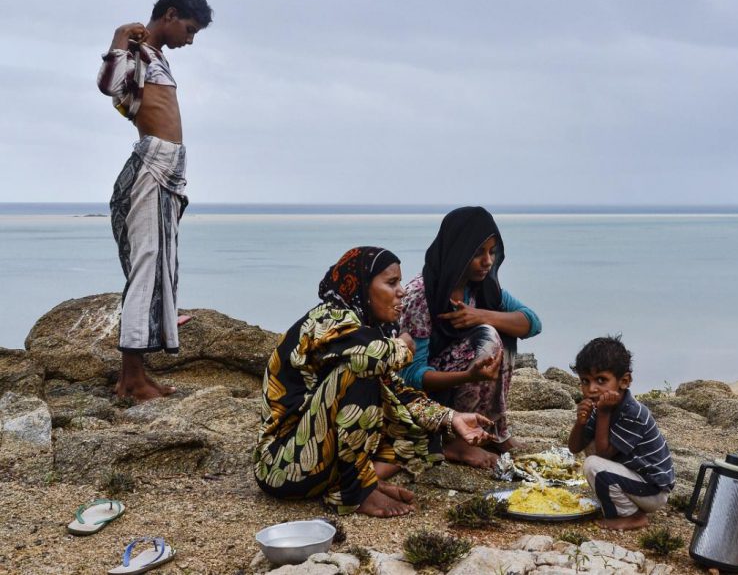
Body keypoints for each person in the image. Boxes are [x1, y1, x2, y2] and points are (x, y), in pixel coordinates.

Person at [254, 247, 495, 517]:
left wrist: (452, 419)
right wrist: (403, 346)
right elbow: (370, 358)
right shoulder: (328, 318)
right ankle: (356, 491)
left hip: (321, 460)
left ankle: (359, 480)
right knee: (362, 372)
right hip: (283, 468)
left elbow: (398, 391)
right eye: (391, 283)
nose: (402, 291)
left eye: (400, 282)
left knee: (417, 420)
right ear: (362, 287)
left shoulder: (368, 329)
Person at [97, 0, 213, 401]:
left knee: (160, 265)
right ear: (169, 14)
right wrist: (117, 40)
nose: (190, 39)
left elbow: (126, 99)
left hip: (167, 169)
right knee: (147, 266)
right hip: (152, 166)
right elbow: (109, 86)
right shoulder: (137, 50)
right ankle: (131, 380)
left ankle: (137, 376)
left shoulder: (155, 56)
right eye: (190, 28)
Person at [399, 206, 542, 469]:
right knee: (488, 336)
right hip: (426, 401)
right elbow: (411, 375)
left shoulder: (483, 288)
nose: (487, 261)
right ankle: (455, 441)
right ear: (457, 252)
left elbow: (532, 323)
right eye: (478, 253)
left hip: (466, 378)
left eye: (492, 251)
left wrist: (481, 315)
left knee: (500, 330)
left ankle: (495, 430)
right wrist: (468, 376)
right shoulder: (420, 295)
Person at [567, 335, 674, 530]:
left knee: (593, 465)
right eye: (585, 381)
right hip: (633, 479)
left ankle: (632, 516)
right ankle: (621, 504)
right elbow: (575, 447)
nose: (591, 389)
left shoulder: (634, 413)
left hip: (652, 490)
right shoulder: (600, 404)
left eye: (601, 380)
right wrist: (580, 423)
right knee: (589, 450)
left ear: (624, 381)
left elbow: (602, 455)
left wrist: (604, 414)